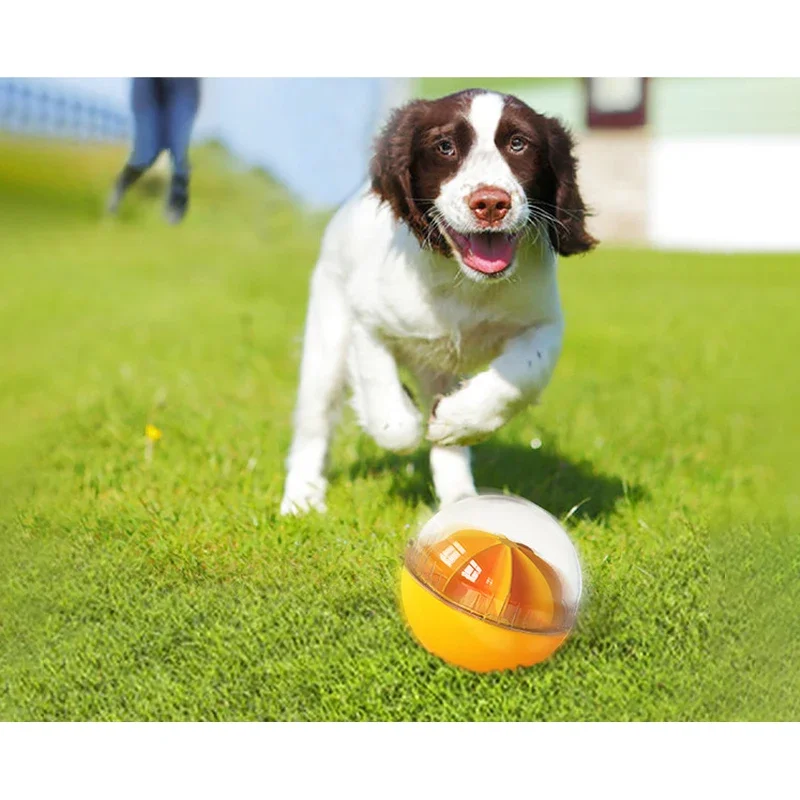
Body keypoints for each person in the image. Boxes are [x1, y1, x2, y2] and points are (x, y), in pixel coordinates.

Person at [107, 78, 201, 224]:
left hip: (184, 84)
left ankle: (176, 209)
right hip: (148, 83)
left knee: (178, 147)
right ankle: (119, 190)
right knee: (146, 153)